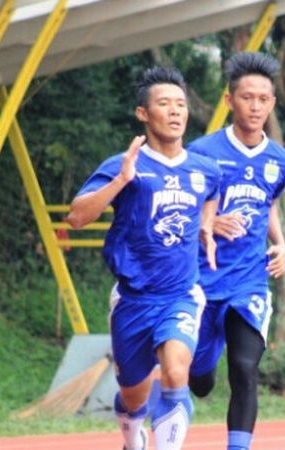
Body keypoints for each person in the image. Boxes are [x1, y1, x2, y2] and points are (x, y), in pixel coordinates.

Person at [66, 67, 221, 450]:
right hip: (133, 300)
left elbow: (211, 195)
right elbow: (76, 217)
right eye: (164, 104)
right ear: (143, 114)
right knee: (133, 397)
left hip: (181, 294)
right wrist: (121, 180)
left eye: (181, 104)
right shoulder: (124, 163)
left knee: (174, 370)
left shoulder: (205, 169)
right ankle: (132, 437)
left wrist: (206, 225)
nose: (175, 111)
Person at [186, 52, 285, 450]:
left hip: (248, 279)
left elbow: (270, 204)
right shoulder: (201, 152)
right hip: (201, 278)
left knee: (245, 368)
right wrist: (208, 224)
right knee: (198, 380)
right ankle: (201, 366)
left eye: (263, 99)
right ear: (230, 100)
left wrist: (280, 243)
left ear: (272, 103)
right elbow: (179, 202)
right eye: (246, 97)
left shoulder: (281, 161)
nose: (255, 106)